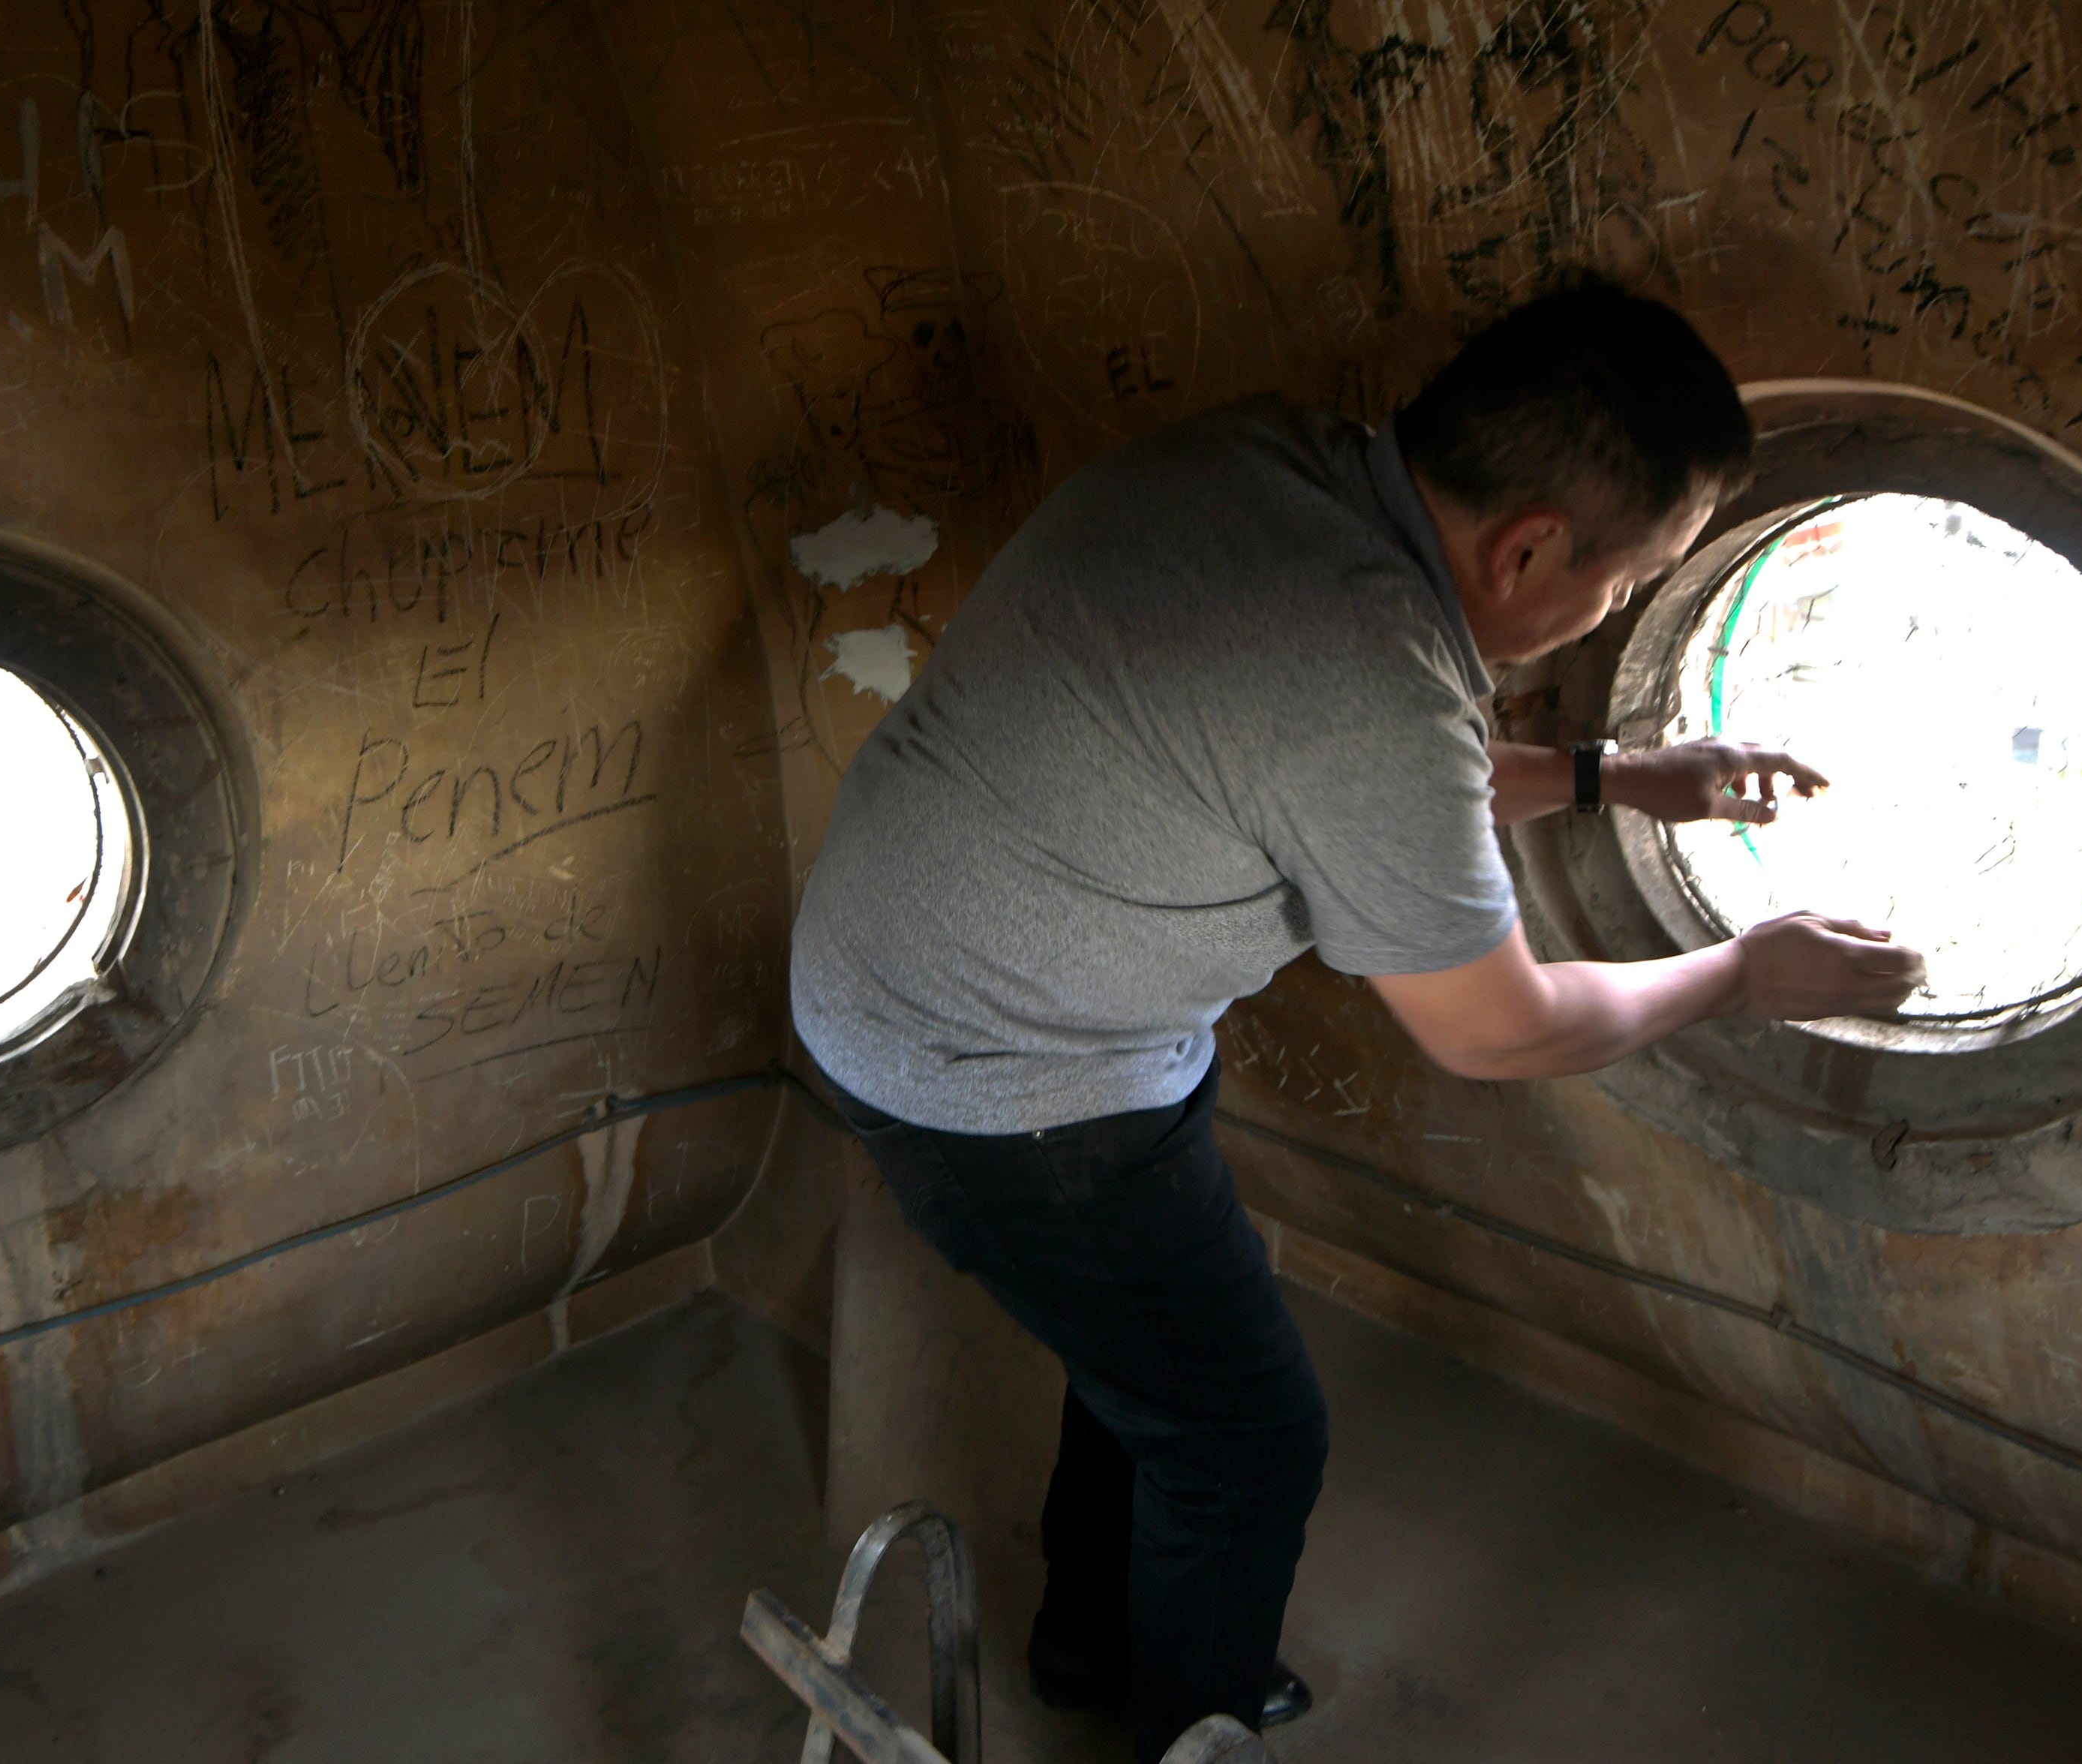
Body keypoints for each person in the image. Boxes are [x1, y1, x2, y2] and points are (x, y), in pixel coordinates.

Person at [788, 276, 1926, 1762]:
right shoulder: (1364, 678)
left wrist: (1618, 774)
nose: (1618, 607)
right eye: (1630, 581)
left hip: (928, 963)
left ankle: (1093, 1640)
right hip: (998, 1074)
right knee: (1245, 1440)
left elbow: (1374, 784)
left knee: (1144, 1350)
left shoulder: (1268, 464)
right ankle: (1181, 1725)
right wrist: (1741, 973)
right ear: (1528, 547)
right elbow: (1492, 1027)